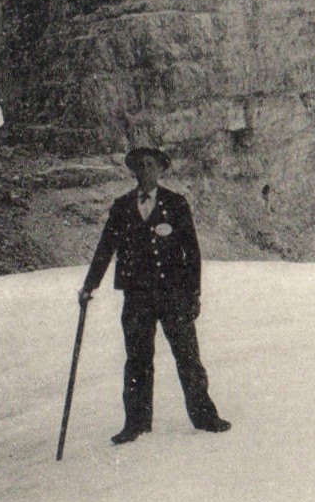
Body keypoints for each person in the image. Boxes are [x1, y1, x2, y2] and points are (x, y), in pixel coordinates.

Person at [80, 144, 231, 443]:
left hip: (173, 294)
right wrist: (89, 286)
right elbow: (105, 248)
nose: (145, 171)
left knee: (188, 357)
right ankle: (136, 424)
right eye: (140, 165)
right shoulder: (122, 206)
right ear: (133, 171)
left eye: (151, 164)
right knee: (137, 360)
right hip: (137, 298)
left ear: (160, 169)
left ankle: (205, 417)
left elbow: (192, 252)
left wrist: (194, 293)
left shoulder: (176, 203)